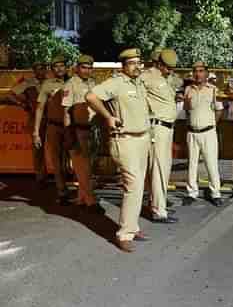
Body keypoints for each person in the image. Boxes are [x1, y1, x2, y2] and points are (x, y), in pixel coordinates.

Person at [86, 48, 152, 253]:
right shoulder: (117, 82)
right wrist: (108, 116)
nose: (136, 66)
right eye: (131, 63)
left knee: (139, 186)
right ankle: (124, 234)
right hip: (125, 141)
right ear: (123, 65)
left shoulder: (138, 83)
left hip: (142, 139)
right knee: (132, 186)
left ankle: (132, 227)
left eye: (138, 62)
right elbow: (91, 96)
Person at [140, 48, 179, 223]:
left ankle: (155, 201)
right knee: (159, 169)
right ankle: (158, 211)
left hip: (166, 129)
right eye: (168, 67)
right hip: (158, 128)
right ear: (159, 64)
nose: (170, 70)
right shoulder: (147, 76)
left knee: (161, 168)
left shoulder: (164, 77)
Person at [61, 54, 104, 213]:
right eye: (84, 67)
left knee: (87, 166)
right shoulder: (70, 84)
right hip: (78, 130)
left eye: (90, 67)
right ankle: (90, 201)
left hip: (93, 129)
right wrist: (69, 134)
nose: (87, 70)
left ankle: (81, 197)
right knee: (82, 167)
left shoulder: (93, 82)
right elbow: (66, 112)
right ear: (77, 68)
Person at [182, 61, 225, 207]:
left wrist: (212, 125)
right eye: (195, 71)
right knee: (192, 164)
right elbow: (187, 109)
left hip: (208, 132)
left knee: (211, 163)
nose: (198, 74)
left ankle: (215, 193)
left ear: (206, 73)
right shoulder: (188, 89)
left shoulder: (213, 90)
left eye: (201, 71)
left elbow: (219, 110)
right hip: (192, 132)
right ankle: (191, 192)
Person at [33, 55, 70, 204]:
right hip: (53, 126)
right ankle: (62, 192)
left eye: (62, 65)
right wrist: (36, 132)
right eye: (56, 66)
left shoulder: (74, 82)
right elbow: (40, 108)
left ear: (67, 67)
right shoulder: (48, 84)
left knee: (75, 159)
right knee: (56, 160)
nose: (59, 69)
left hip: (71, 127)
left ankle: (83, 193)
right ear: (52, 69)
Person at [10, 61, 49, 188]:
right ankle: (40, 177)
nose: (40, 71)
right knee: (38, 149)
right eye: (37, 69)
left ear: (46, 70)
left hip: (53, 119)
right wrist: (22, 104)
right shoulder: (28, 83)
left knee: (58, 147)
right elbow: (11, 94)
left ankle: (62, 175)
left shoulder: (52, 82)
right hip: (35, 119)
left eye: (42, 68)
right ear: (34, 71)